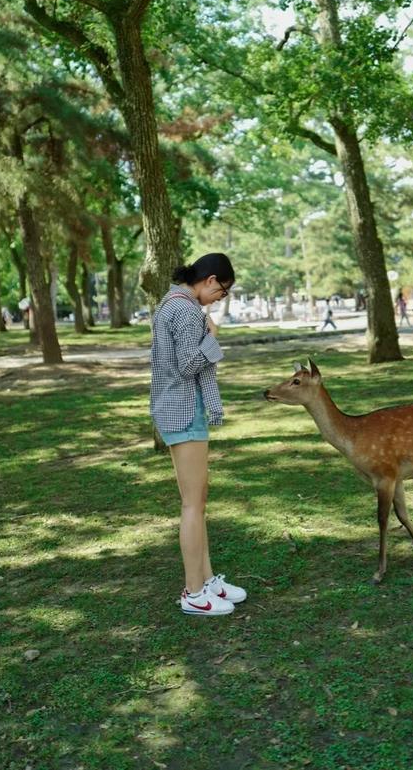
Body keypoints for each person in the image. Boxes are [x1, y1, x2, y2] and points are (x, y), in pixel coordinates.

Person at [150, 252, 246, 618]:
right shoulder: (188, 310)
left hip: (178, 408)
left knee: (198, 502)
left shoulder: (172, 302)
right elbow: (189, 363)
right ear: (209, 280)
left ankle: (206, 581)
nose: (220, 298)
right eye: (221, 292)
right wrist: (213, 339)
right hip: (183, 409)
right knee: (193, 504)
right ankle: (194, 592)